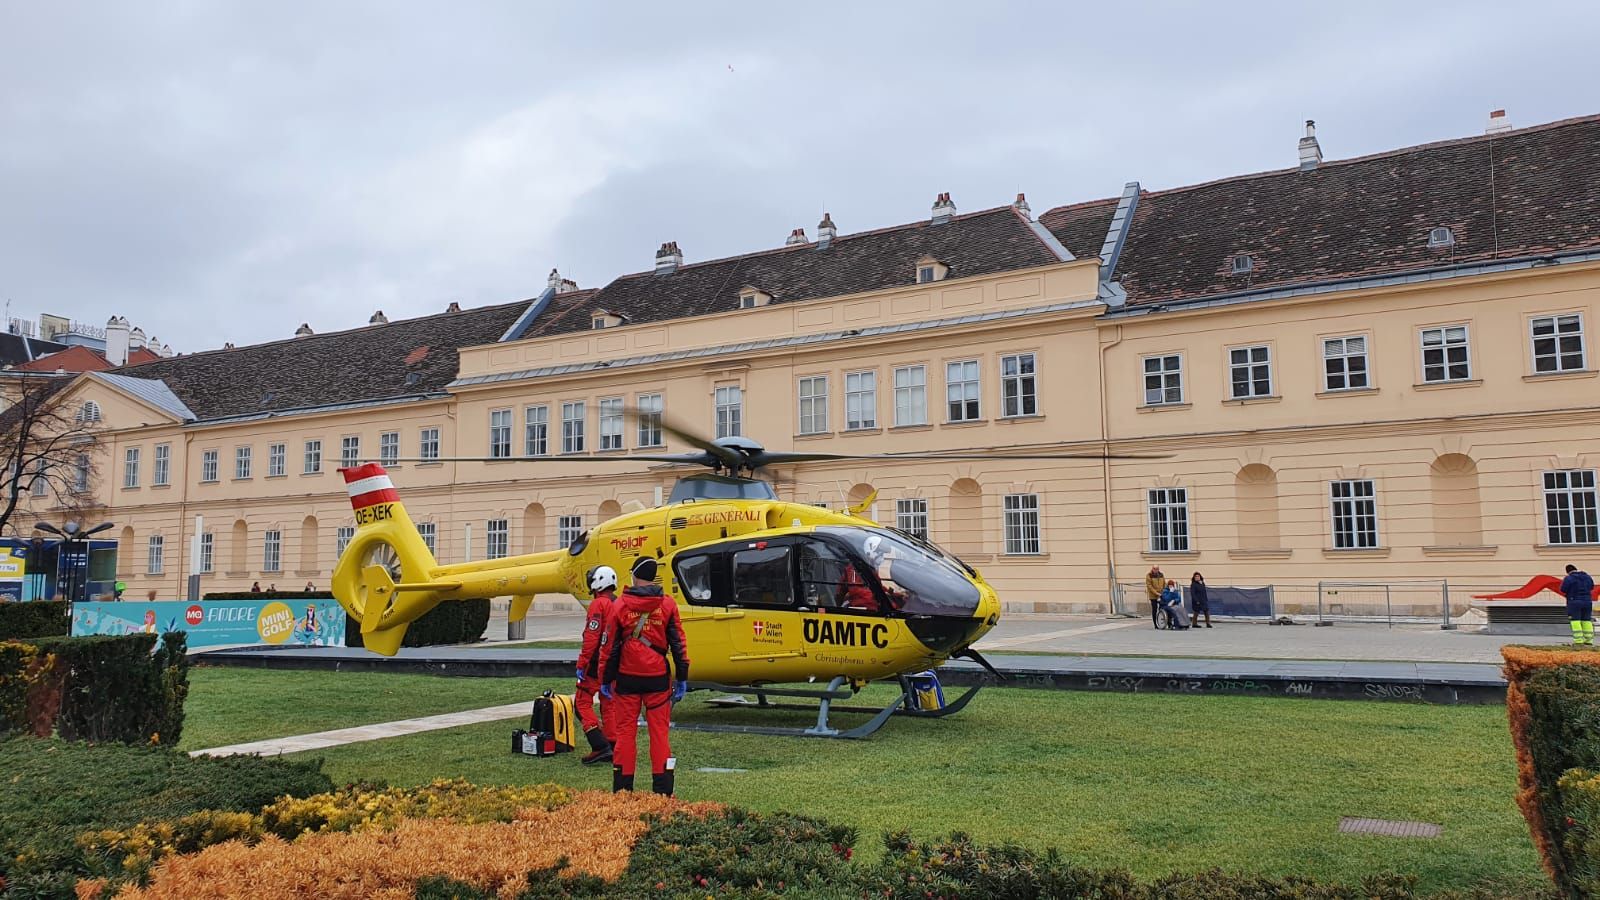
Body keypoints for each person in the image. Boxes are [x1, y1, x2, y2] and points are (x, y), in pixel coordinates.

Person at [600, 556, 689, 796]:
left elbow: (609, 648)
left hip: (627, 679)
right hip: (658, 679)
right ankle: (662, 791)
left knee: (625, 734)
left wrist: (605, 679)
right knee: (659, 734)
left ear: (635, 576)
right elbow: (678, 644)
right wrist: (682, 676)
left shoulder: (619, 606)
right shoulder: (668, 605)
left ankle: (622, 790)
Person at [575, 565, 619, 765]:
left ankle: (599, 745)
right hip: (615, 661)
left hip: (596, 662)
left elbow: (591, 638)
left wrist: (582, 663)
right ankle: (612, 744)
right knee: (608, 703)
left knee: (582, 703)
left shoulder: (598, 605)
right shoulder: (619, 603)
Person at [1561, 564, 1595, 646]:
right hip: (1587, 601)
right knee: (1586, 620)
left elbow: (1563, 589)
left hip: (1574, 602)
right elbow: (1592, 587)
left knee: (1575, 620)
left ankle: (1578, 640)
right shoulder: (1587, 577)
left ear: (1568, 572)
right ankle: (1589, 640)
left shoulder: (1569, 578)